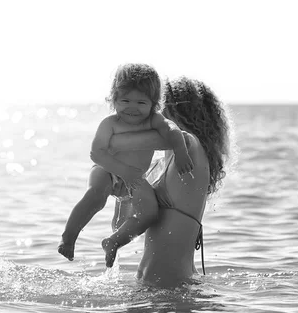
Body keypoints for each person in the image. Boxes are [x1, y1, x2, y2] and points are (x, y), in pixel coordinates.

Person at [57, 64, 195, 264]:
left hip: (136, 178)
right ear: (113, 100)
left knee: (150, 213)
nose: (132, 107)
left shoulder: (153, 120)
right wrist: (123, 171)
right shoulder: (110, 123)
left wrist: (181, 152)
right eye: (125, 100)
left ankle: (114, 242)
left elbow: (173, 130)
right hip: (107, 169)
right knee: (96, 195)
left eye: (141, 102)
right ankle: (69, 236)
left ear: (154, 104)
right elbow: (96, 153)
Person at [107, 76, 232, 287]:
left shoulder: (189, 148)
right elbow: (119, 225)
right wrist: (124, 189)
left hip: (173, 288)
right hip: (153, 288)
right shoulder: (157, 166)